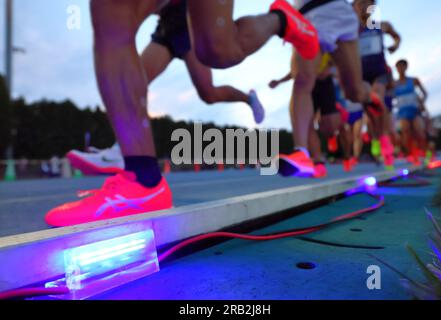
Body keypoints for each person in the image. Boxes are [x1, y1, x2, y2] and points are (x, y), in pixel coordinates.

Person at [45, 0, 320, 227]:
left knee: (218, 58)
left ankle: (279, 24)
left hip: (188, 18)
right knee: (118, 25)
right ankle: (139, 172)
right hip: (170, 22)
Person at [66, 0, 267, 176]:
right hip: (167, 28)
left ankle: (248, 99)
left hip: (188, 23)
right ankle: (123, 150)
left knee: (209, 93)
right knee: (132, 80)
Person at [276, 0, 385, 178]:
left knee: (354, 92)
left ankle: (369, 97)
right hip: (305, 16)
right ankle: (302, 153)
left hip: (334, 10)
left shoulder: (371, 21)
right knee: (302, 81)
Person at [353, 0, 401, 169]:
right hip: (362, 77)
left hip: (380, 74)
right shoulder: (351, 31)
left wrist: (395, 45)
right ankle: (378, 144)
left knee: (377, 99)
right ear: (354, 7)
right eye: (360, 3)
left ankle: (385, 144)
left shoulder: (382, 26)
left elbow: (396, 36)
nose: (364, 6)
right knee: (372, 116)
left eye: (368, 3)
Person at [393, 59, 428, 165]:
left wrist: (421, 103)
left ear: (406, 67)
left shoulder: (414, 80)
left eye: (402, 66)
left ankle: (423, 154)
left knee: (419, 132)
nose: (400, 69)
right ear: (397, 69)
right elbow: (389, 96)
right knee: (405, 131)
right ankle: (410, 155)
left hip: (415, 110)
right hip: (402, 111)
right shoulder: (394, 83)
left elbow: (425, 93)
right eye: (398, 67)